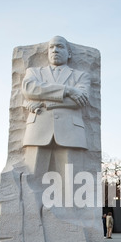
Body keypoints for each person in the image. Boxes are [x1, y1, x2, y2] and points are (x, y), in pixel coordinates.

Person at [21, 35, 90, 189]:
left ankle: (71, 212)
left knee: (73, 183)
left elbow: (79, 100)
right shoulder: (34, 72)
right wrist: (67, 90)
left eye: (60, 46)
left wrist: (44, 101)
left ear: (69, 53)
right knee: (31, 181)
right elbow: (29, 89)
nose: (55, 50)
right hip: (38, 129)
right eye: (51, 47)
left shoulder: (81, 76)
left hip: (71, 132)